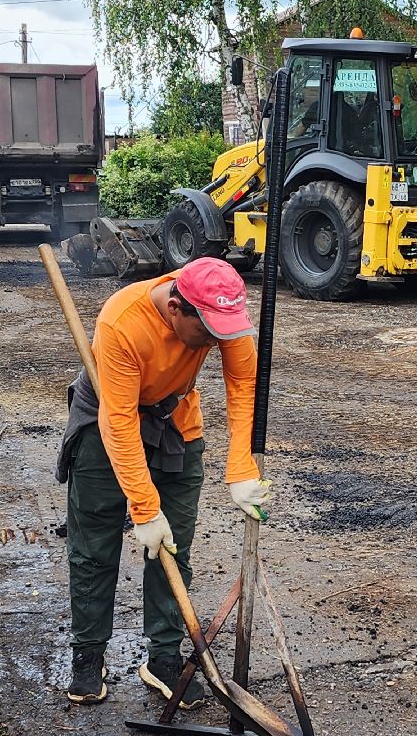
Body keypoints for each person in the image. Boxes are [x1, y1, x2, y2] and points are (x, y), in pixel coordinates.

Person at [56, 257, 272, 707]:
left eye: (225, 331)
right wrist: (143, 508)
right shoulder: (122, 322)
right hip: (107, 421)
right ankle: (88, 656)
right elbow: (118, 421)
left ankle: (164, 658)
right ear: (176, 308)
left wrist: (240, 470)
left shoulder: (222, 317)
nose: (218, 341)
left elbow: (243, 385)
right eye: (208, 331)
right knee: (94, 545)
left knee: (174, 546)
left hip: (174, 419)